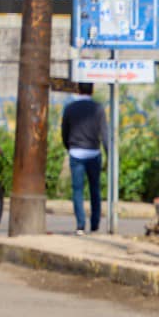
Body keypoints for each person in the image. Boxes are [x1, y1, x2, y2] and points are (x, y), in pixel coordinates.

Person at [61, 82, 107, 235]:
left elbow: (64, 132)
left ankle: (80, 225)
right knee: (95, 190)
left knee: (77, 191)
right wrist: (107, 154)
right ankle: (94, 224)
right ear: (92, 90)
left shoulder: (70, 108)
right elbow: (105, 134)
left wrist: (70, 147)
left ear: (78, 90)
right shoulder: (98, 109)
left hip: (76, 153)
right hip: (94, 153)